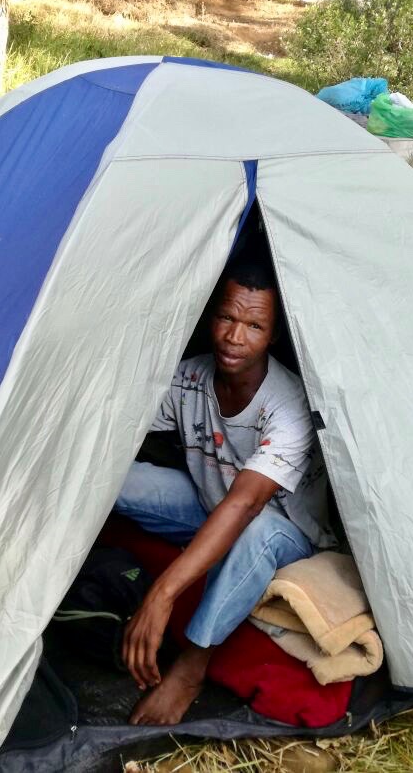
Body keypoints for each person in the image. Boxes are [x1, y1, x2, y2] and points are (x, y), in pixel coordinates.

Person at [115, 252, 334, 726]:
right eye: (226, 318)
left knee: (255, 531)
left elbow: (247, 503)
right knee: (111, 479)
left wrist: (162, 594)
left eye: (254, 326)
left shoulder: (288, 405)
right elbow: (117, 428)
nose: (235, 337)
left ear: (273, 334)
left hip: (283, 531)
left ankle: (190, 670)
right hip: (208, 503)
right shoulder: (192, 378)